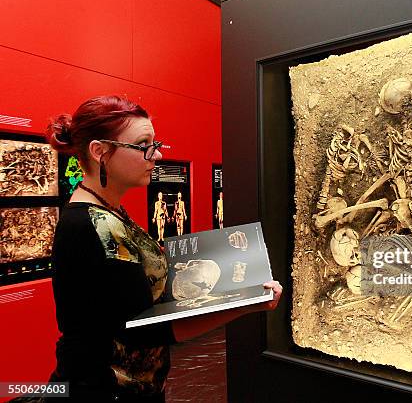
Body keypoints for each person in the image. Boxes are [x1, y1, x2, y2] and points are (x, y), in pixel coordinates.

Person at [44, 95, 282, 402]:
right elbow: (146, 329)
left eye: (155, 144)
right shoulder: (91, 224)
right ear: (99, 151)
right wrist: (247, 303)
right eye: (143, 145)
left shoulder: (108, 213)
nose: (156, 155)